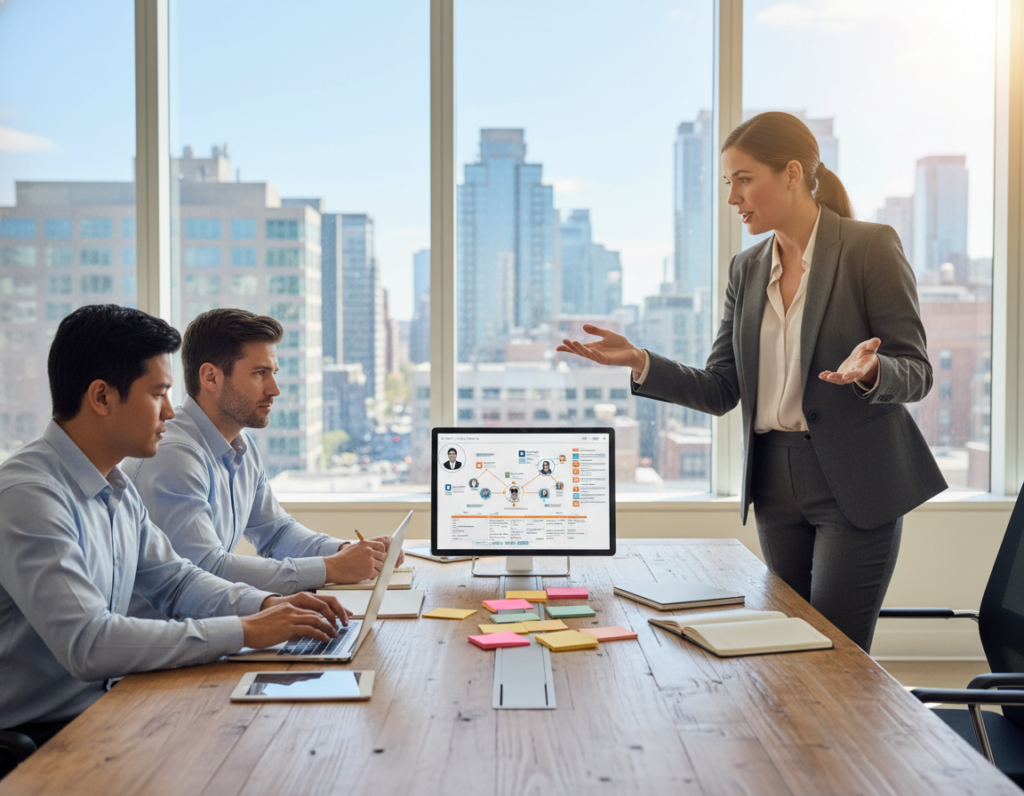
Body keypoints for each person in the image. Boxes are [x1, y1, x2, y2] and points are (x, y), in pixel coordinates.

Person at [558, 112, 946, 652]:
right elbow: (722, 388)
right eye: (727, 183)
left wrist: (874, 370)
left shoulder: (869, 246)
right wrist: (640, 361)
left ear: (791, 173)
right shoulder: (747, 268)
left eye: (744, 179)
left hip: (854, 481)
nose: (734, 196)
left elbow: (918, 371)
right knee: (784, 648)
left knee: (837, 658)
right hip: (773, 482)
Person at [0, 305, 349, 746]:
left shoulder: (117, 488)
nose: (170, 411)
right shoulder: (30, 496)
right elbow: (88, 643)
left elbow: (178, 582)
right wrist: (243, 630)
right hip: (36, 737)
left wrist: (265, 607)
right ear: (102, 397)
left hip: (115, 701)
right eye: (157, 393)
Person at [124, 310, 399, 618]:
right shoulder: (173, 456)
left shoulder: (242, 448)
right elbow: (207, 569)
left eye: (274, 373)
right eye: (259, 374)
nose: (274, 390)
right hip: (167, 650)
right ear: (210, 377)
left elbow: (277, 532)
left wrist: (345, 551)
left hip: (209, 634)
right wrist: (330, 568)